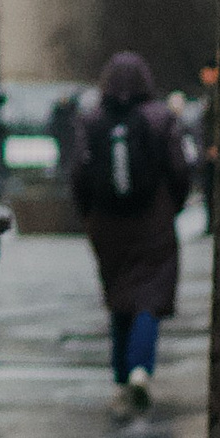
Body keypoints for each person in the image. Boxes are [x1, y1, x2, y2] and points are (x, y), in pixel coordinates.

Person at [66, 50, 194, 413]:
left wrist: (88, 216)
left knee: (118, 296)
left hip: (107, 226)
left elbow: (79, 174)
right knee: (148, 299)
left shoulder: (91, 121)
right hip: (153, 222)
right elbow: (180, 170)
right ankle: (140, 369)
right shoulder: (161, 119)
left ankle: (120, 375)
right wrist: (173, 205)